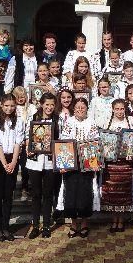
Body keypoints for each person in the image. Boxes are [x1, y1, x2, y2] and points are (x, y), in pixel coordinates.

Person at [60, 97, 98, 238]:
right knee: (71, 193)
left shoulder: (91, 123)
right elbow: (63, 143)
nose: (80, 110)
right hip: (71, 164)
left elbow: (95, 143)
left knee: (85, 193)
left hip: (86, 164)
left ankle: (84, 223)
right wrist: (63, 164)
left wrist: (94, 163)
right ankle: (74, 224)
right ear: (73, 109)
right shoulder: (68, 122)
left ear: (87, 109)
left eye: (83, 108)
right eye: (78, 108)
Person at [0, 94, 24, 242]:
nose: (9, 108)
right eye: (7, 105)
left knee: (9, 195)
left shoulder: (19, 121)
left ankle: (6, 227)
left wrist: (14, 162)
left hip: (13, 158)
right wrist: (4, 164)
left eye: (12, 106)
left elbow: (18, 142)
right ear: (1, 105)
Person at [26, 92, 60, 239]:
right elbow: (27, 137)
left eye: (52, 104)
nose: (49, 107)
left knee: (47, 194)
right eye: (47, 104)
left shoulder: (57, 120)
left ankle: (46, 225)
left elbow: (60, 139)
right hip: (35, 161)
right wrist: (29, 148)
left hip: (50, 162)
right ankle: (35, 225)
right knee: (35, 194)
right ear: (41, 104)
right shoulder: (33, 118)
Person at [100, 99, 133, 232]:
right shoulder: (107, 123)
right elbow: (102, 142)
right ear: (113, 109)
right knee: (112, 192)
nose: (120, 111)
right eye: (117, 109)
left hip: (125, 163)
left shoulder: (130, 121)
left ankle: (121, 220)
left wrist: (131, 153)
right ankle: (113, 220)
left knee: (123, 191)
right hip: (111, 163)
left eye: (122, 109)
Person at [12, 86, 35, 200]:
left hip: (27, 141)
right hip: (14, 142)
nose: (21, 99)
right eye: (18, 97)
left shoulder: (31, 107)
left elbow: (34, 125)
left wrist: (27, 140)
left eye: (23, 96)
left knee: (25, 166)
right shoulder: (13, 108)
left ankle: (24, 189)